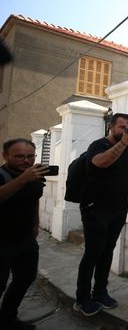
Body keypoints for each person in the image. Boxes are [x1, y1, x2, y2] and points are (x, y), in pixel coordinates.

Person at [74, 113, 128, 316]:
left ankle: (100, 291)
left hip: (117, 207)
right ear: (111, 127)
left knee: (108, 250)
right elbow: (101, 162)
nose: (126, 131)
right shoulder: (98, 145)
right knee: (93, 252)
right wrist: (125, 141)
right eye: (122, 127)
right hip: (95, 208)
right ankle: (83, 298)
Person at [0, 139, 49, 330]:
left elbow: (34, 199)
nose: (26, 160)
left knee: (25, 279)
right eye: (19, 156)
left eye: (30, 156)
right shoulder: (3, 174)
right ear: (5, 156)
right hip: (2, 241)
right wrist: (23, 179)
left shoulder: (34, 175)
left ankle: (7, 319)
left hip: (26, 239)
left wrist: (36, 224)